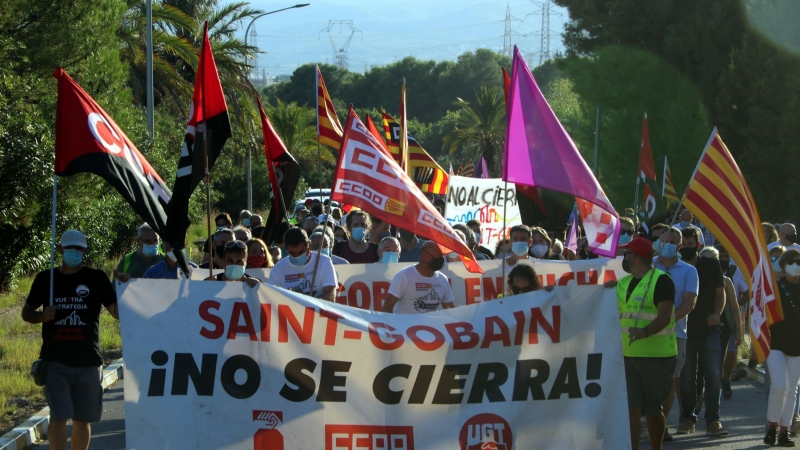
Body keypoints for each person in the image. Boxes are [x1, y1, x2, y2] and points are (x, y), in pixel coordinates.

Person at [22, 230, 119, 450]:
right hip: (55, 361)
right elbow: (27, 312)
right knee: (57, 417)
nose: (74, 252)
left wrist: (126, 286)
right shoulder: (46, 279)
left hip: (88, 360)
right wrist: (41, 316)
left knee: (82, 420)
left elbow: (116, 311)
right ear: (60, 249)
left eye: (79, 248)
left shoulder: (96, 278)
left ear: (84, 250)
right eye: (69, 248)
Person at [614, 237, 677, 450]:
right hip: (628, 355)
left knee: (652, 410)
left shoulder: (661, 280)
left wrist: (645, 332)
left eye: (626, 254)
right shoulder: (622, 283)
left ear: (634, 257)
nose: (623, 258)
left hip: (657, 356)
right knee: (630, 410)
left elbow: (665, 315)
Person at [676, 227, 728, 436]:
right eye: (684, 244)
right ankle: (687, 418)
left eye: (691, 244)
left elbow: (720, 294)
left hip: (709, 328)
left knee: (714, 375)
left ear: (698, 245)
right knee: (687, 377)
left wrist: (717, 313)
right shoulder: (675, 267)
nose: (687, 248)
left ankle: (713, 420)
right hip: (685, 330)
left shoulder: (711, 264)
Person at [652, 226, 699, 442]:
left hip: (676, 334)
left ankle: (660, 425)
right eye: (664, 241)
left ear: (679, 246)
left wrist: (665, 322)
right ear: (658, 241)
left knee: (670, 381)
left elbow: (689, 303)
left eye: (672, 242)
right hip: (646, 334)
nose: (667, 245)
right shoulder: (647, 266)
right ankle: (648, 421)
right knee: (648, 381)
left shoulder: (689, 271)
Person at [763, 249, 800, 446]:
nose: (797, 265)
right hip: (775, 342)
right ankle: (771, 426)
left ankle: (784, 431)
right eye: (794, 261)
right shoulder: (775, 288)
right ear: (784, 264)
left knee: (792, 389)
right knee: (779, 385)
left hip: (797, 344)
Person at [700, 247, 743, 401]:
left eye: (712, 258)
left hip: (720, 328)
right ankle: (698, 396)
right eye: (704, 258)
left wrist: (739, 331)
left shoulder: (726, 281)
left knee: (715, 366)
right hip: (697, 327)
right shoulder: (692, 277)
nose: (708, 262)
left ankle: (715, 393)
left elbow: (734, 307)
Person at [383, 241, 455, 313]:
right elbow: (388, 306)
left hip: (430, 324)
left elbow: (449, 308)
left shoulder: (443, 279)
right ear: (427, 256)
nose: (442, 259)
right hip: (406, 324)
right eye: (440, 256)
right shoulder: (404, 276)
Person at [269, 228, 337, 301]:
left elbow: (330, 294)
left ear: (309, 244)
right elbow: (272, 299)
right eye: (292, 253)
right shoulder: (277, 269)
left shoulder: (323, 261)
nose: (297, 256)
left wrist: (306, 306)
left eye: (301, 252)